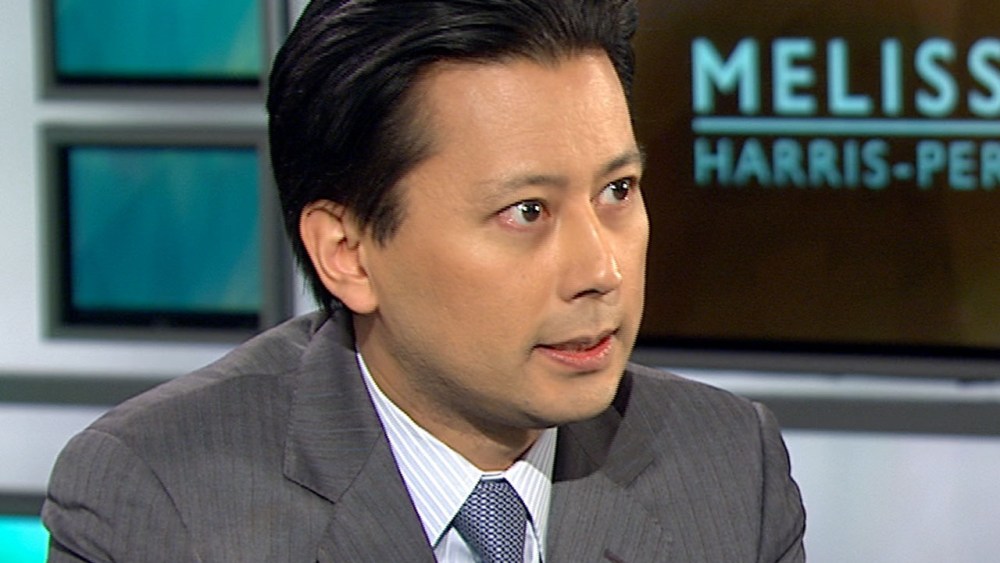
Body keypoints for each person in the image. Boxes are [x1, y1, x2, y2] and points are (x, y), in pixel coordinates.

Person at [42, 0, 806, 561]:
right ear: (348, 252)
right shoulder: (161, 499)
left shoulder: (729, 468)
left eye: (617, 191)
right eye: (527, 211)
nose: (600, 271)